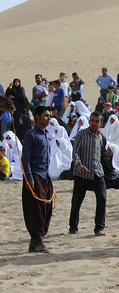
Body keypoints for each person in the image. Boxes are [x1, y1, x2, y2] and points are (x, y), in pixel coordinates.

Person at [69, 112, 108, 236]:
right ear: (89, 121)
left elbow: (102, 155)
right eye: (92, 120)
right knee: (76, 201)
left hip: (97, 172)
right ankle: (73, 228)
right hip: (82, 174)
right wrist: (79, 166)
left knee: (102, 198)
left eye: (97, 121)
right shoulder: (81, 134)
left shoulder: (101, 137)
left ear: (101, 123)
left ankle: (99, 228)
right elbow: (74, 153)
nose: (94, 123)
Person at [21, 106, 53, 253]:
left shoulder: (46, 134)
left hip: (45, 176)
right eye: (46, 115)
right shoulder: (30, 135)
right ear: (38, 117)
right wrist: (29, 178)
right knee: (36, 209)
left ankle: (37, 241)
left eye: (50, 116)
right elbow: (25, 158)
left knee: (47, 208)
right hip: (34, 176)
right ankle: (37, 241)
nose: (49, 118)